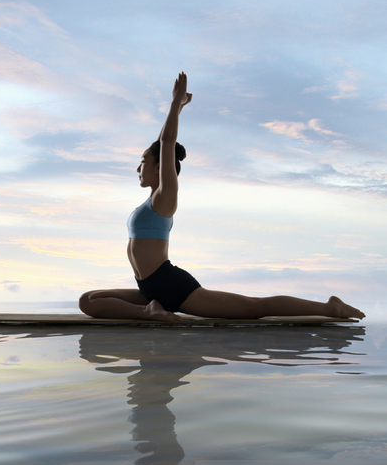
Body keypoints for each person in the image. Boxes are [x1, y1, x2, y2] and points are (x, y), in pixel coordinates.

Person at [79, 72, 365, 323]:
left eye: (143, 161)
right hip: (149, 288)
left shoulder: (166, 196)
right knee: (88, 300)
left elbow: (165, 145)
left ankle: (330, 308)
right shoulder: (151, 199)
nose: (138, 168)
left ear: (158, 168)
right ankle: (150, 311)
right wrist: (176, 110)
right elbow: (160, 145)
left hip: (172, 287)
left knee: (254, 308)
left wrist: (175, 105)